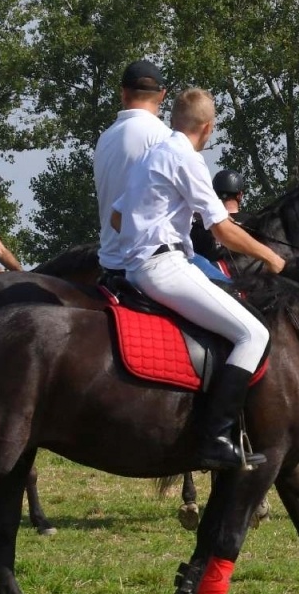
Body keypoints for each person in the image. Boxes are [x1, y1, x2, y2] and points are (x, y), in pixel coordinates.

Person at [107, 89, 286, 470]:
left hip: (136, 266)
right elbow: (221, 229)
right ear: (208, 127)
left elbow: (117, 219)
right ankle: (216, 438)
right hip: (165, 268)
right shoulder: (187, 159)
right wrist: (271, 257)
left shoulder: (148, 155)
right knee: (254, 334)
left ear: (174, 119)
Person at [94, 60, 171, 271]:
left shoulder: (105, 138)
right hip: (149, 262)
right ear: (162, 94)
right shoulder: (164, 137)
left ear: (123, 93)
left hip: (108, 261)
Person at [190, 169, 245, 280]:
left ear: (214, 195)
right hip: (250, 284)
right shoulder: (253, 223)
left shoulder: (201, 226)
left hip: (212, 285)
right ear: (240, 196)